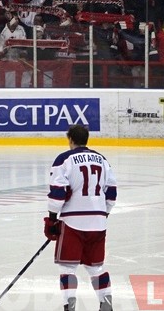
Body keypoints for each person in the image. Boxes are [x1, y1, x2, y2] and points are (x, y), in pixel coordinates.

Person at [45, 125, 117, 311]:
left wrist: (52, 219)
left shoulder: (64, 159)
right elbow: (111, 194)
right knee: (96, 268)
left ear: (70, 139)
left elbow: (57, 194)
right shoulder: (102, 160)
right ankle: (106, 304)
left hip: (72, 222)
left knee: (68, 269)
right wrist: (103, 214)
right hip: (99, 222)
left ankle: (69, 306)